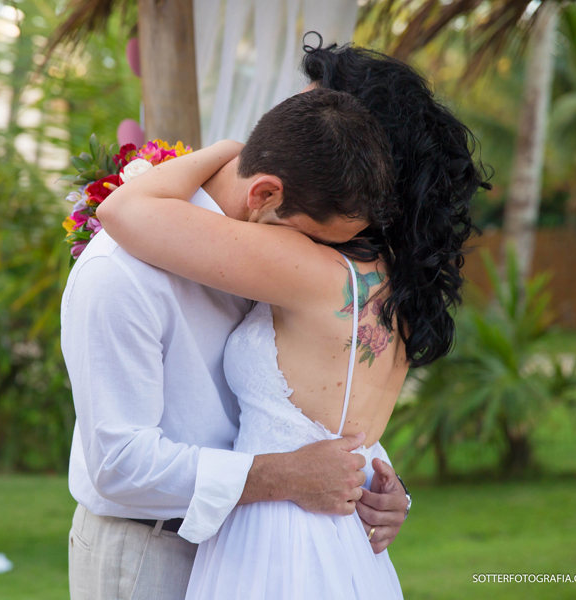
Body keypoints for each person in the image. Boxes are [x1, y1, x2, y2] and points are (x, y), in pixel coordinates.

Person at [97, 50, 488, 599]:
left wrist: (233, 152)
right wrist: (382, 479)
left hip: (273, 538)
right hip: (345, 543)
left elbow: (121, 213)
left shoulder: (305, 265)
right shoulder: (397, 279)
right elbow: (340, 419)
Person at [61, 96, 411, 600]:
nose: (312, 259)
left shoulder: (256, 260)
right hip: (148, 552)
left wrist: (374, 484)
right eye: (312, 240)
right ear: (265, 194)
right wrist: (286, 476)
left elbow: (292, 396)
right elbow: (120, 464)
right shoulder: (118, 275)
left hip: (247, 550)